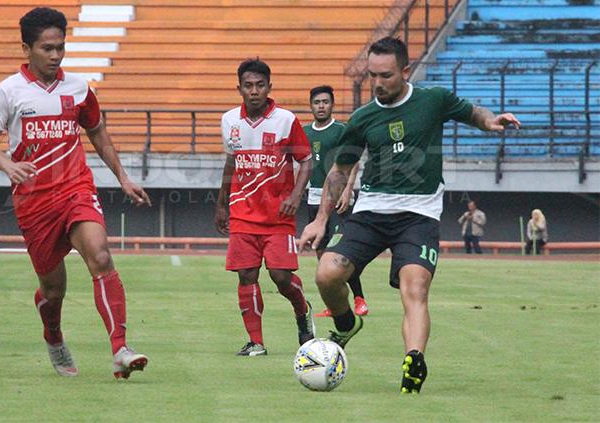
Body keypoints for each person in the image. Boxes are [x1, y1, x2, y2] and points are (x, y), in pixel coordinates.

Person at [298, 36, 520, 393]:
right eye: (372, 76)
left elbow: (471, 112)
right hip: (371, 212)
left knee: (414, 287)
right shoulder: (363, 118)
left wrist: (490, 121)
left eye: (385, 75)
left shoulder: (433, 100)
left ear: (405, 70)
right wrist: (321, 219)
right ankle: (346, 323)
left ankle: (414, 361)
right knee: (327, 274)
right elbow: (340, 171)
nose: (378, 83)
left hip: (419, 215)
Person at [0, 7, 151, 379]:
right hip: (34, 201)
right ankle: (53, 335)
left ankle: (120, 348)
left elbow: (97, 133)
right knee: (53, 291)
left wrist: (122, 177)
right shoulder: (7, 92)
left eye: (61, 47)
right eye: (47, 48)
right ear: (27, 49)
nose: (56, 56)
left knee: (101, 256)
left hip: (76, 188)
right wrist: (8, 166)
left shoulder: (78, 88)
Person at [215, 58, 315, 356]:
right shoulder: (229, 120)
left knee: (281, 278)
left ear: (269, 87)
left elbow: (306, 161)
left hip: (278, 215)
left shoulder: (285, 120)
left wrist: (296, 195)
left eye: (260, 85)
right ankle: (256, 341)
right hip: (242, 211)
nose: (254, 91)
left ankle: (302, 310)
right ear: (239, 89)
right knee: (246, 274)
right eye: (248, 86)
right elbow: (232, 161)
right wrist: (221, 204)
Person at [303, 85, 369, 317]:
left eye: (325, 102)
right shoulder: (305, 132)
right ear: (310, 105)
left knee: (342, 254)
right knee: (322, 254)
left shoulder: (341, 129)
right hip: (314, 199)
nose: (321, 106)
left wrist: (346, 190)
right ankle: (335, 304)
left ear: (332, 105)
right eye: (317, 102)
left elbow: (352, 161)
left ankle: (359, 298)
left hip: (339, 198)